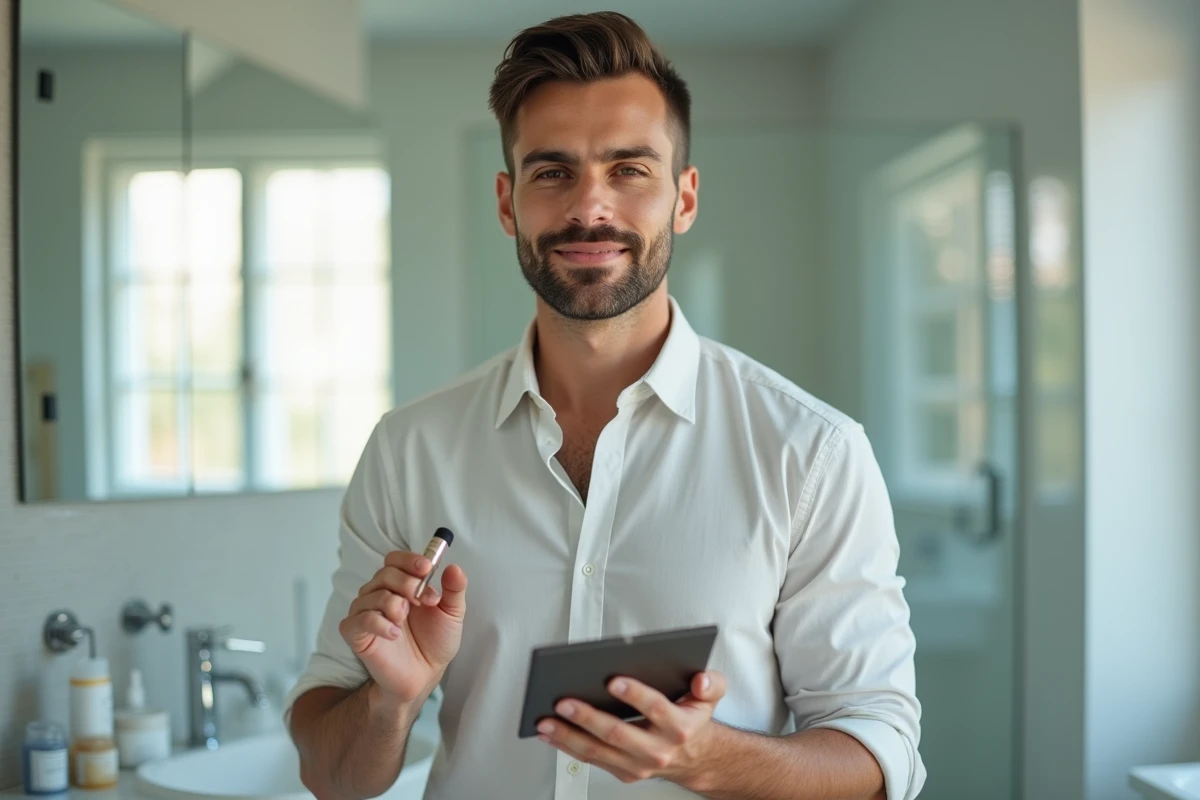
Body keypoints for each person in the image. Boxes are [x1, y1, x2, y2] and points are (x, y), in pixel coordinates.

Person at [286, 11, 924, 800]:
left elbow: (880, 761)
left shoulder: (812, 452)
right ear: (507, 202)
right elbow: (332, 778)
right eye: (553, 172)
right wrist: (392, 700)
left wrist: (704, 758)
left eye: (629, 170)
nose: (590, 207)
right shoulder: (408, 449)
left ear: (684, 198)